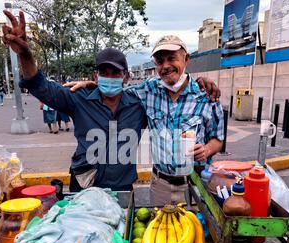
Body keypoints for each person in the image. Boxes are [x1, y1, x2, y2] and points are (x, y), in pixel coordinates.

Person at [1, 10, 220, 193]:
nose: (110, 78)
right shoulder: (78, 99)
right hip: (85, 184)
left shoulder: (139, 102)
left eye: (116, 73)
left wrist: (200, 81)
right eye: (104, 72)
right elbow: (41, 87)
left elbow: (177, 96)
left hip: (123, 187)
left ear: (126, 77)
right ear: (95, 76)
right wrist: (25, 53)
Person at [67, 35, 225, 205]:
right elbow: (116, 90)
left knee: (197, 229)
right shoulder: (148, 90)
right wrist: (93, 85)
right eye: (159, 61)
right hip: (160, 185)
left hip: (195, 184)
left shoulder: (207, 96)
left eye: (172, 59)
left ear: (186, 59)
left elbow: (218, 139)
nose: (165, 66)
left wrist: (207, 150)